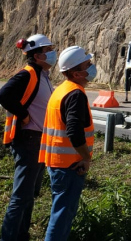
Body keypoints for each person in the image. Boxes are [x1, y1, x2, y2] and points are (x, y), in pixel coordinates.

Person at [0, 34, 57, 241]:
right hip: (29, 140)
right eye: (49, 50)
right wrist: (23, 115)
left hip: (39, 141)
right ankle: (9, 237)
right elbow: (3, 96)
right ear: (38, 55)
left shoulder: (43, 75)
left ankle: (21, 235)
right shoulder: (28, 74)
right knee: (21, 196)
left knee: (29, 195)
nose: (53, 53)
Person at [40, 46, 96, 241]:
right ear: (77, 72)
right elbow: (74, 131)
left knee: (61, 213)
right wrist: (85, 157)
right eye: (87, 64)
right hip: (70, 165)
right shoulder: (75, 94)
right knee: (62, 216)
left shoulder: (61, 90)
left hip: (57, 163)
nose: (91, 67)